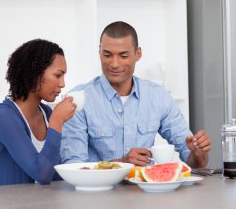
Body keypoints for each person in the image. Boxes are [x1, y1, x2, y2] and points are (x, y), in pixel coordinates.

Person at [61, 21, 211, 168]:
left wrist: (198, 153)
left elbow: (194, 162)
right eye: (107, 55)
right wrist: (122, 163)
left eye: (123, 56)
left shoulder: (158, 97)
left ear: (138, 54)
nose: (114, 63)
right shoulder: (78, 99)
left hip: (147, 191)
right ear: (99, 52)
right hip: (98, 192)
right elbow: (73, 166)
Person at [0, 39, 76, 186]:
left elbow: (54, 174)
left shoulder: (46, 113)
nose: (62, 84)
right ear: (35, 74)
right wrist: (57, 120)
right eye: (58, 75)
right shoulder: (4, 117)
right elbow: (42, 174)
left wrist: (102, 169)